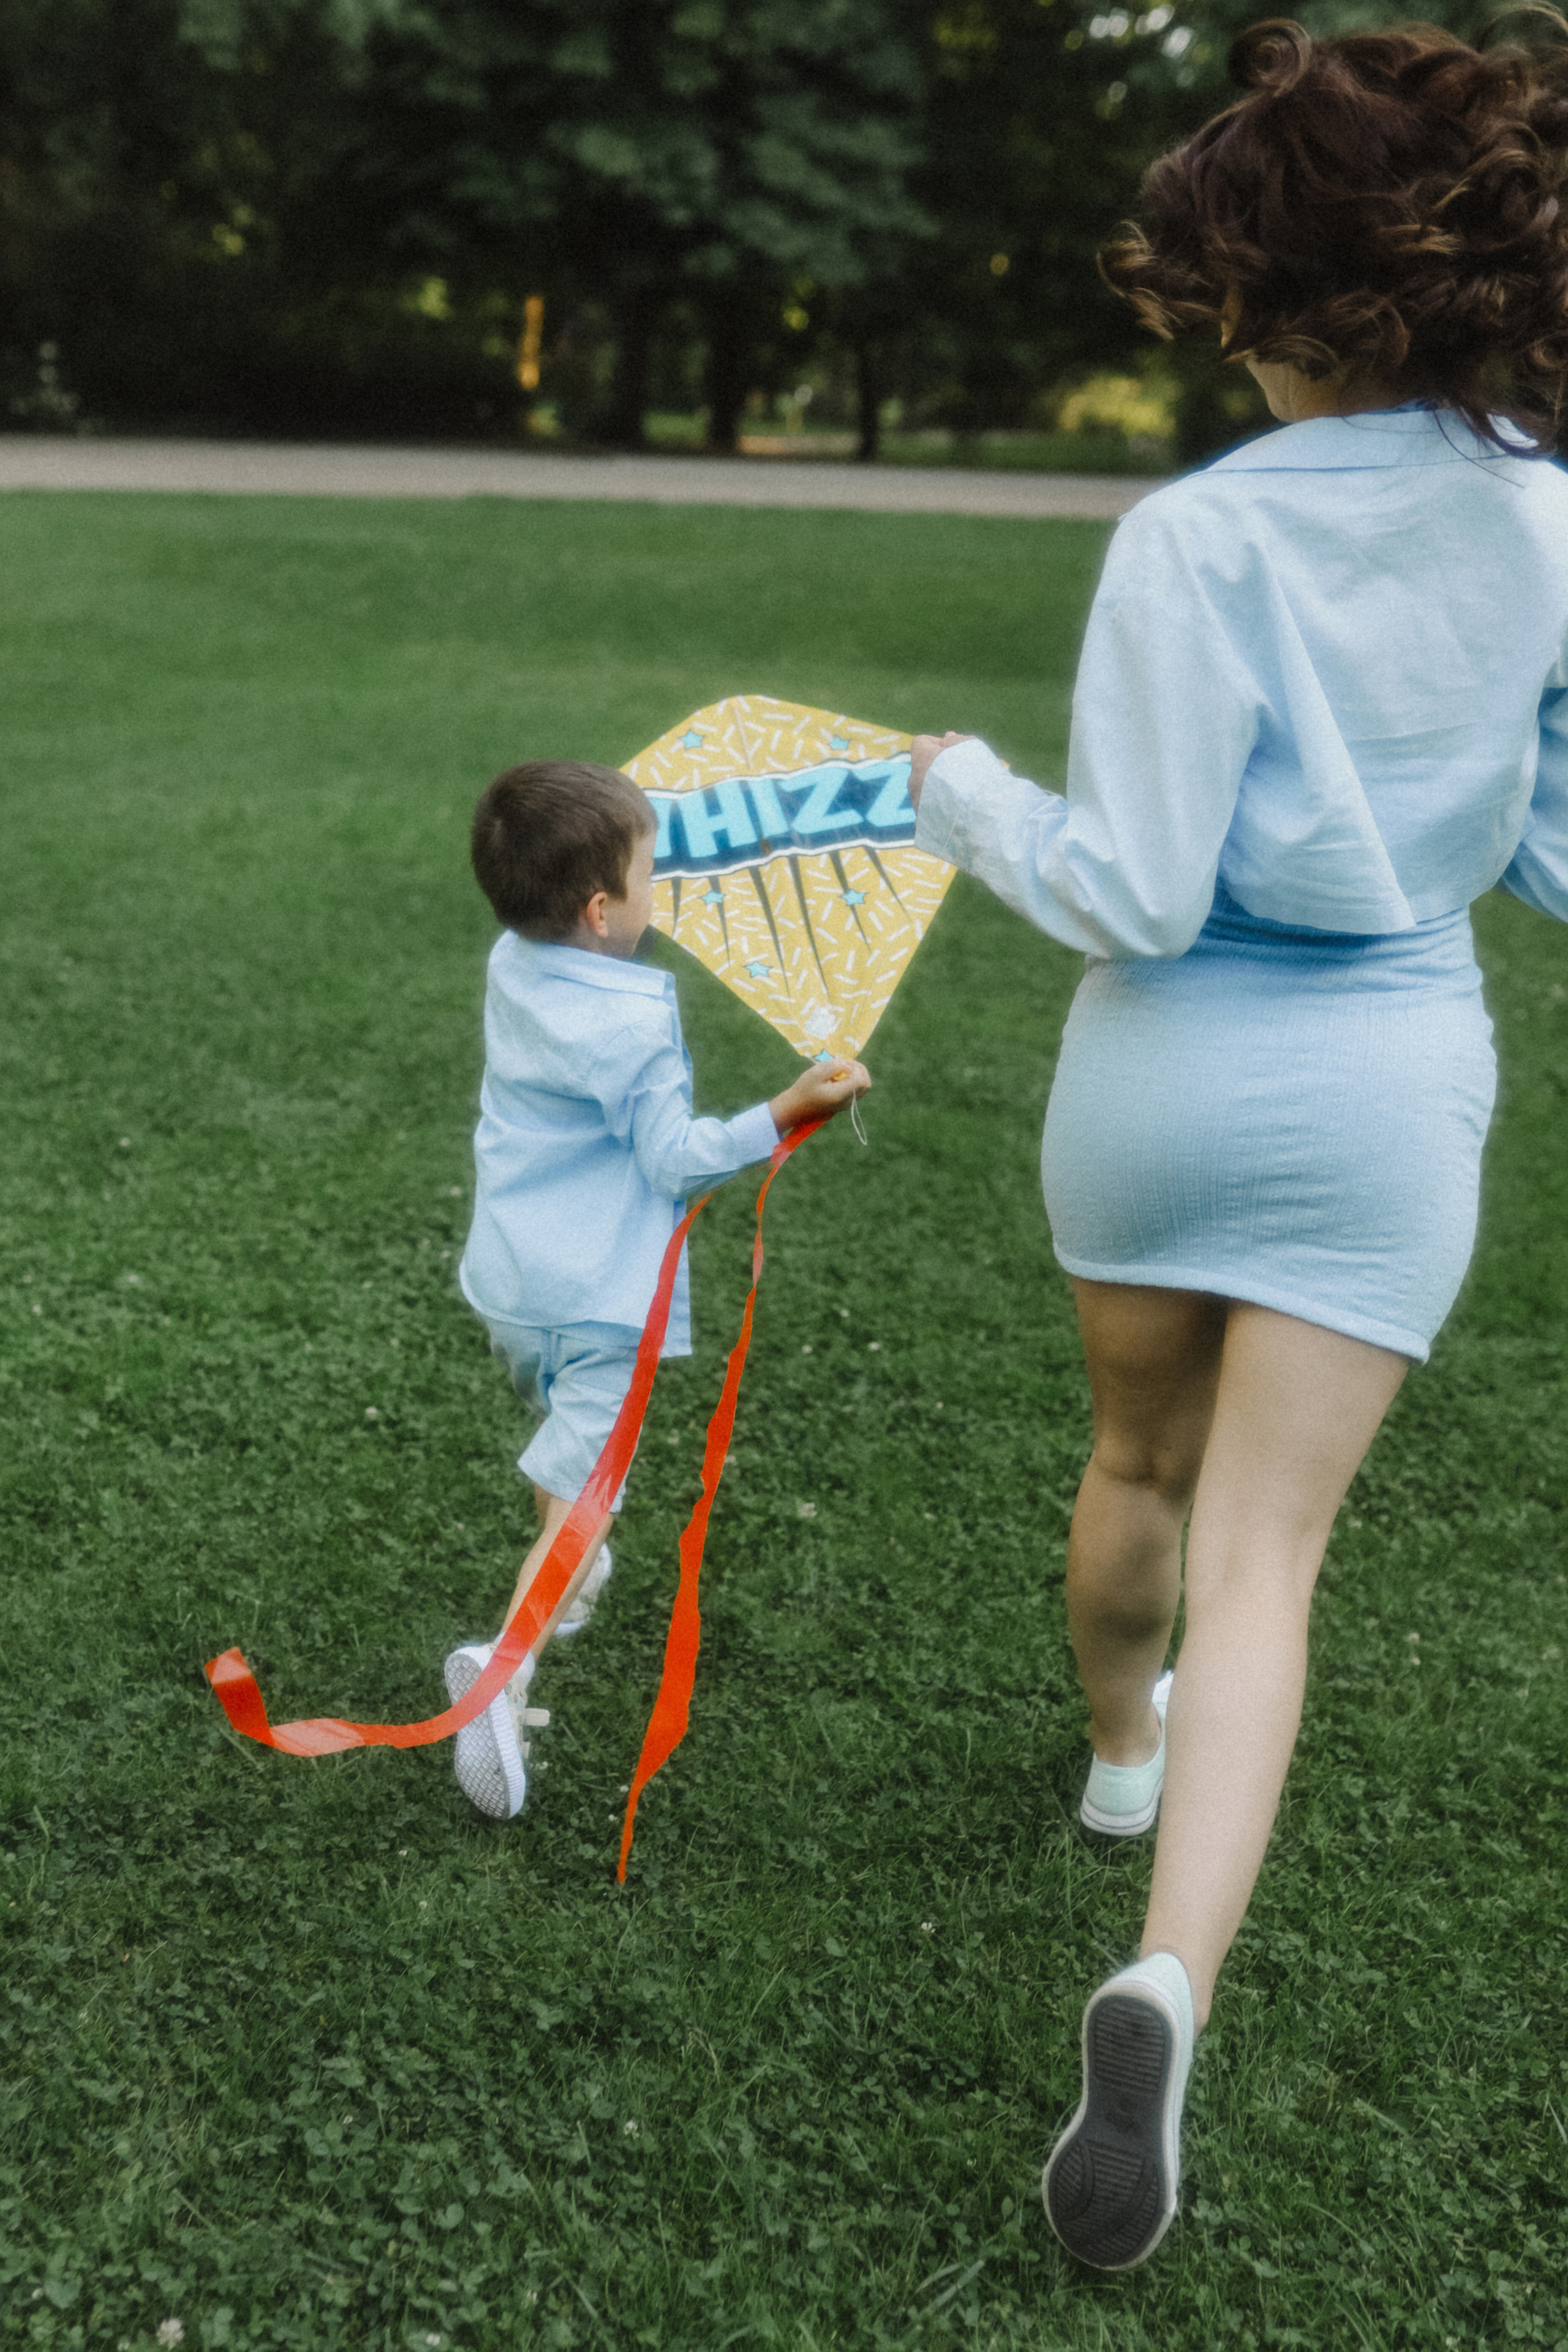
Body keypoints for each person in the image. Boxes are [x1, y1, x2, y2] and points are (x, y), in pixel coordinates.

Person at [908, 15, 1568, 2271]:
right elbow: (1560, 846)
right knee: (1271, 1561)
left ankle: (1115, 1758)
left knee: (1142, 1474)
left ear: (1286, 307)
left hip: (1165, 1079)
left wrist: (962, 788)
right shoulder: (1547, 516)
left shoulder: (1193, 537)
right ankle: (1167, 1969)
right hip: (1390, 1082)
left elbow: (1131, 889)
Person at [449, 760, 868, 1820]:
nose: (658, 891)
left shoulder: (514, 959)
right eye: (646, 876)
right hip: (598, 1293)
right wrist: (786, 1108)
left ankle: (563, 1581)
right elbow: (675, 1158)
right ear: (601, 911)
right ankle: (502, 1669)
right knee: (590, 1496)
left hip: (513, 1279)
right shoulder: (628, 1020)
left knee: (578, 1477)